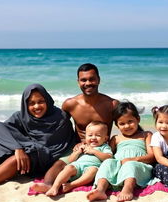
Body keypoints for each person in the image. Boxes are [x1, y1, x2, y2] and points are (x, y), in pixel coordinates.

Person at [0, 84, 76, 191]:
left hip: (44, 157)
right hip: (25, 148)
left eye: (41, 101)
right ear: (25, 104)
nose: (37, 106)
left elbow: (59, 147)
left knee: (15, 160)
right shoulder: (21, 116)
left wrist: (25, 149)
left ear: (47, 100)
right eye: (31, 103)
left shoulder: (60, 117)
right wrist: (18, 148)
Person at [31, 63, 118, 193]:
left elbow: (126, 125)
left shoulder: (111, 104)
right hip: (78, 148)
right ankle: (48, 185)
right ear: (78, 82)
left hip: (102, 149)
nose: (88, 83)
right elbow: (57, 126)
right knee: (60, 164)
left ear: (98, 80)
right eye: (83, 80)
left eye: (92, 79)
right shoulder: (71, 104)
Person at [87, 101, 156, 202]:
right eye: (122, 123)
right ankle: (100, 189)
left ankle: (127, 189)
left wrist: (133, 159)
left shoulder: (146, 135)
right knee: (108, 162)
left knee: (130, 165)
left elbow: (152, 156)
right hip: (119, 168)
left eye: (130, 122)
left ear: (138, 119)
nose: (127, 126)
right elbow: (107, 154)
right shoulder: (116, 138)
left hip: (139, 167)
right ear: (117, 125)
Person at [45, 121, 113, 196]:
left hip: (91, 168)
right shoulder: (83, 146)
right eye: (90, 135)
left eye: (98, 135)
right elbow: (70, 160)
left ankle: (71, 185)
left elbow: (108, 157)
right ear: (85, 137)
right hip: (77, 166)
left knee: (93, 170)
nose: (93, 138)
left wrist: (94, 151)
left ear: (105, 138)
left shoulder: (104, 147)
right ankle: (55, 187)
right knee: (69, 167)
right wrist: (77, 152)